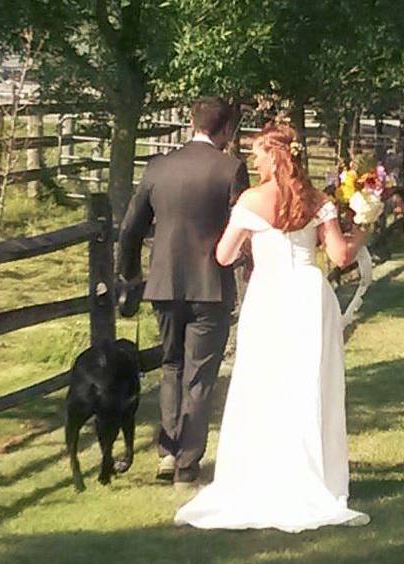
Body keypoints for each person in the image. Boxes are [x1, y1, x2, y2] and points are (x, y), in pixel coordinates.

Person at [174, 123, 370, 532]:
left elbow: (224, 256)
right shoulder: (317, 201)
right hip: (308, 293)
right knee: (308, 384)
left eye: (260, 153)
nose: (254, 160)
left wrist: (252, 238)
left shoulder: (251, 200)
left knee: (263, 384)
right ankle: (315, 475)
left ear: (277, 155)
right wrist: (364, 227)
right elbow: (340, 255)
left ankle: (261, 471)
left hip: (269, 296)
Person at [116, 97, 250, 490]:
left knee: (171, 365)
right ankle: (188, 464)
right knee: (200, 374)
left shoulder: (159, 166)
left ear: (193, 123)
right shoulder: (231, 169)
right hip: (211, 285)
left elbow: (130, 230)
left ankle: (168, 451)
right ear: (226, 130)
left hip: (164, 284)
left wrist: (132, 276)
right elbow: (240, 227)